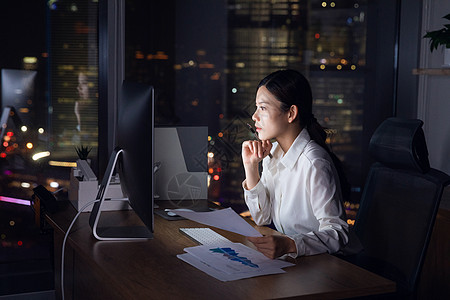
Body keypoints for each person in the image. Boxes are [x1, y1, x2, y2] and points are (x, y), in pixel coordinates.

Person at [242, 69, 349, 259]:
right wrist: (251, 167)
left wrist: (291, 244)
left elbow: (338, 233)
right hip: (299, 263)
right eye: (256, 107)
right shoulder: (273, 154)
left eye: (263, 108)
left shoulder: (314, 162)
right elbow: (262, 218)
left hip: (328, 266)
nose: (254, 116)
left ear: (291, 113)